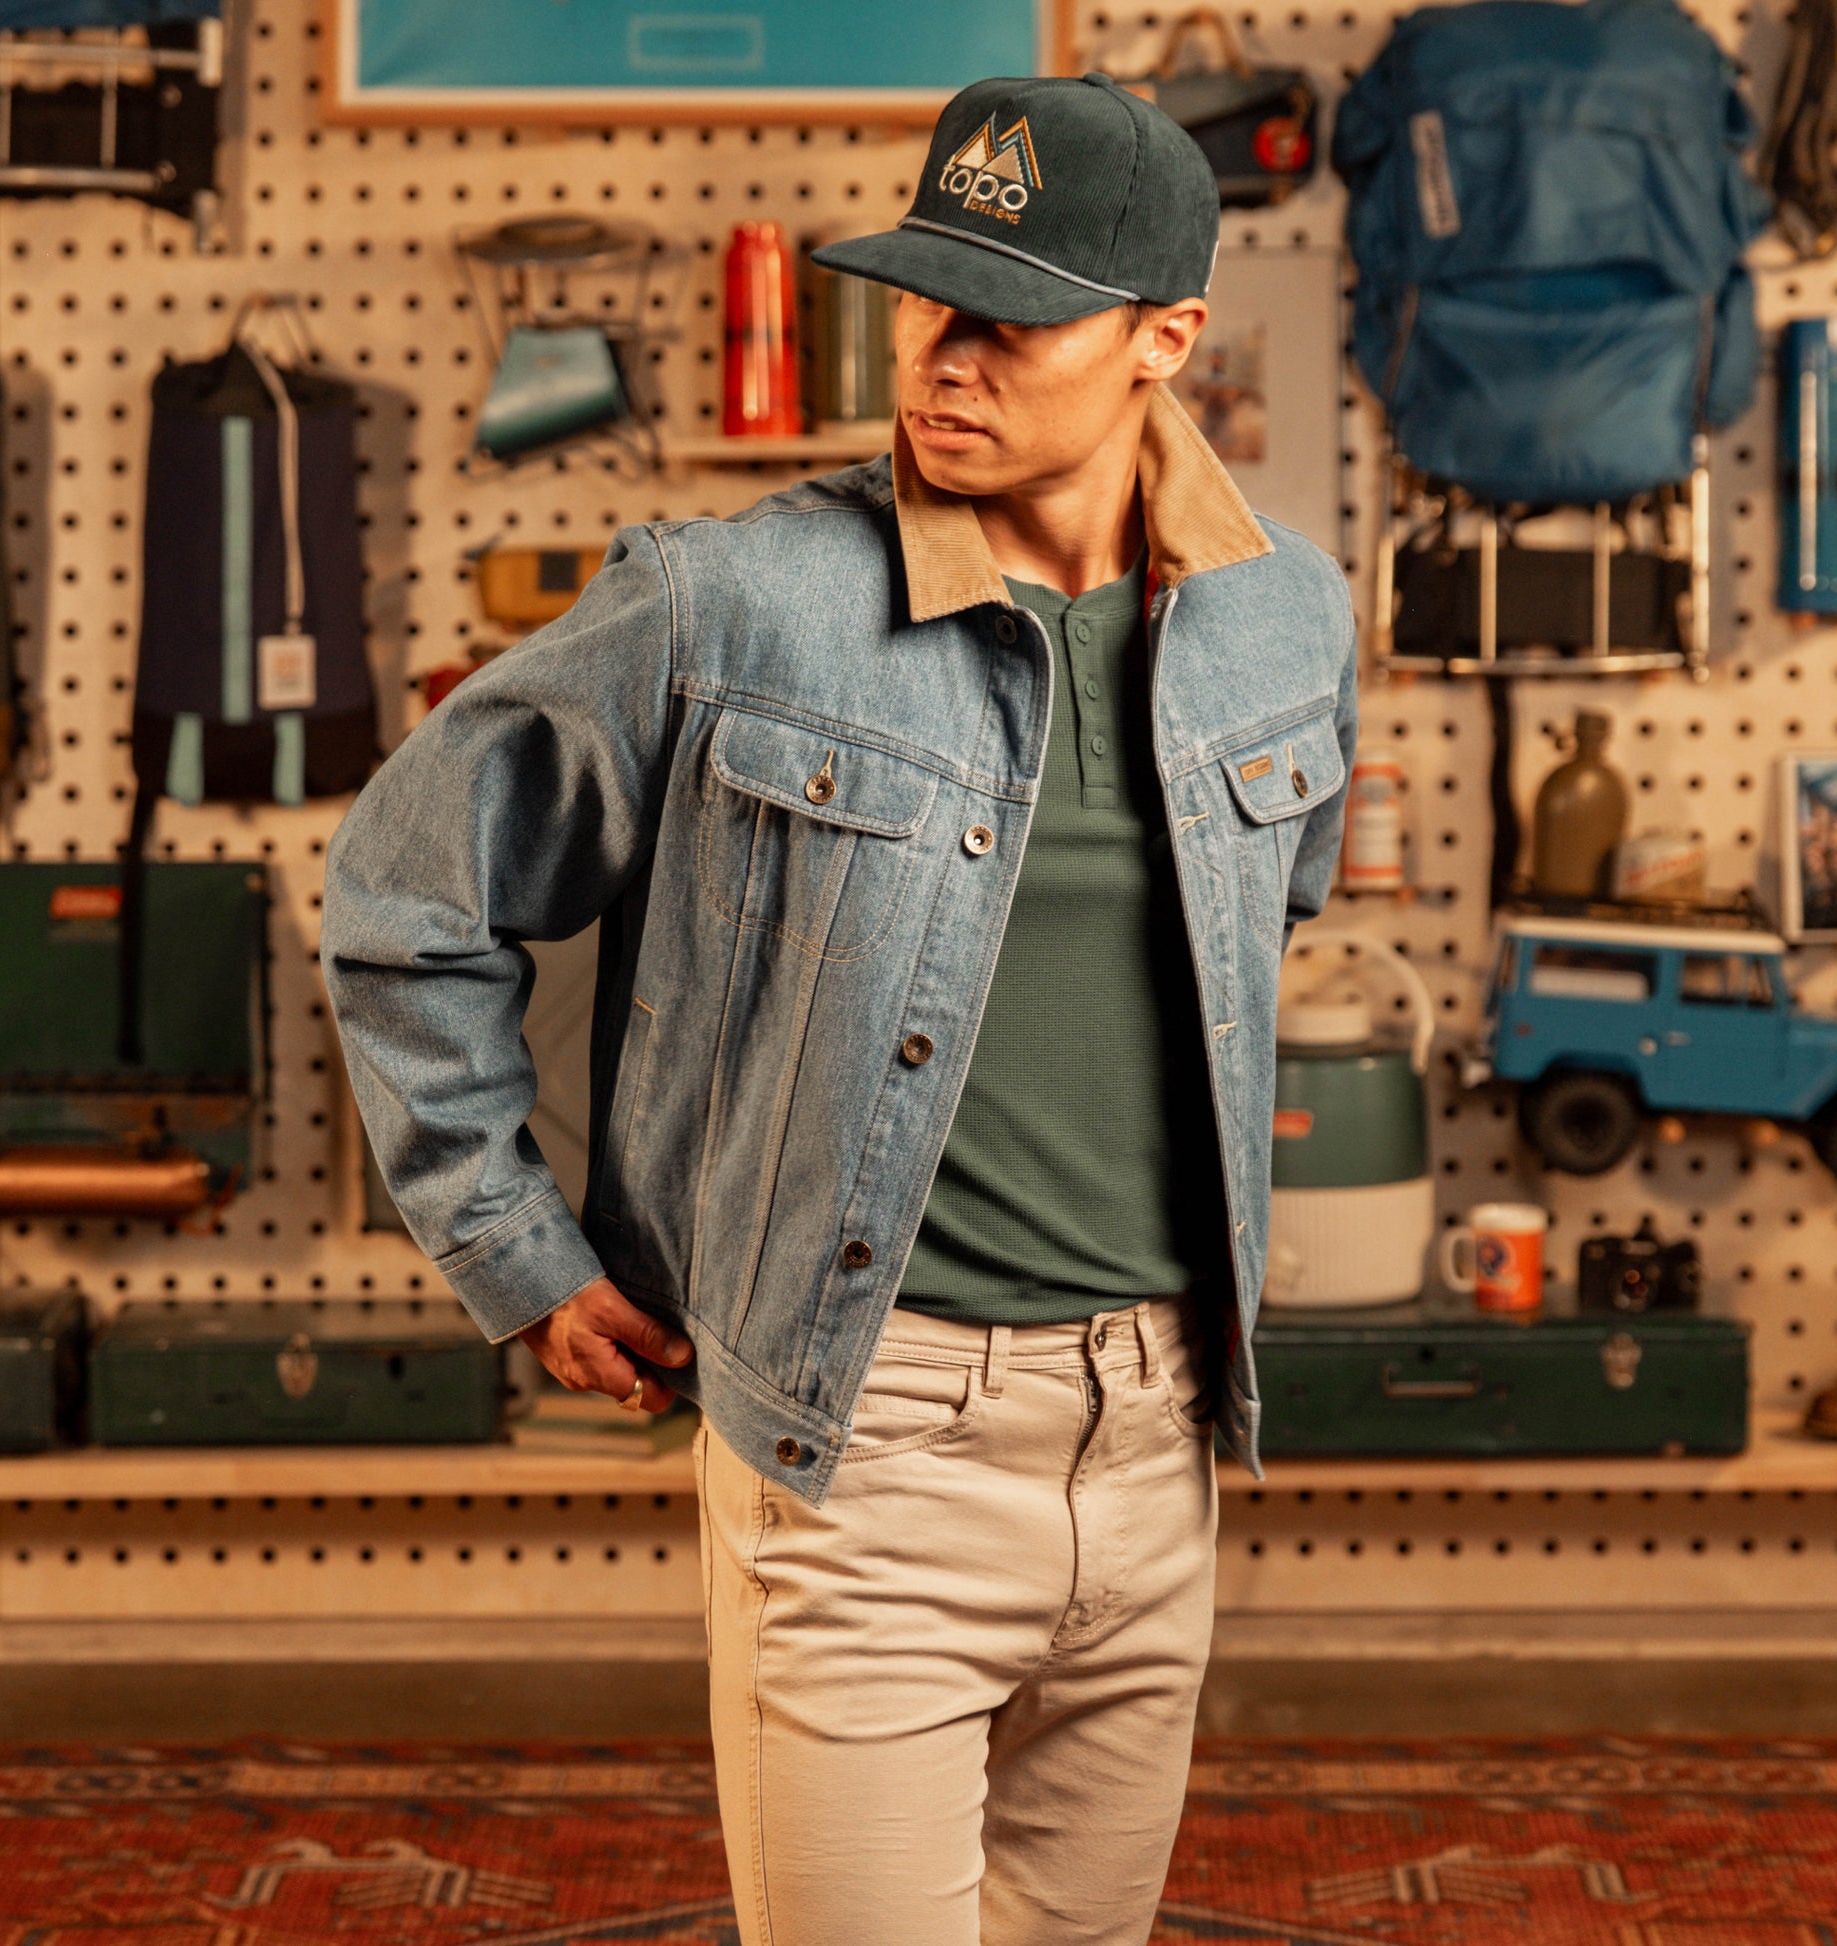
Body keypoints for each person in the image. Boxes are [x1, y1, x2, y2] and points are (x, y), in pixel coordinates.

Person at [323, 69, 1355, 1946]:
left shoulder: (1290, 618)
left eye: (1009, 320)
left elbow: (1259, 925)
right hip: (863, 1443)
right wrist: (514, 1249)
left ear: (1164, 339)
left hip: (1159, 1440)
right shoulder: (730, 603)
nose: (941, 358)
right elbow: (408, 891)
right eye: (924, 299)